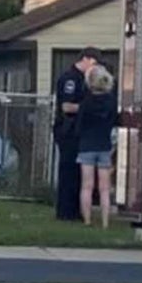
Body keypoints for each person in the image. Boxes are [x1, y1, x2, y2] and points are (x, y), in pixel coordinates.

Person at [53, 47, 102, 221]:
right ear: (85, 59)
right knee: (68, 172)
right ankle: (65, 212)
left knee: (78, 174)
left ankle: (76, 210)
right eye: (94, 63)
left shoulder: (85, 80)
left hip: (80, 131)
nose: (94, 68)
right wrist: (88, 109)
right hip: (68, 131)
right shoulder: (70, 79)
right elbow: (67, 106)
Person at [76, 65, 118, 227]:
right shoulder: (111, 102)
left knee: (87, 186)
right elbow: (115, 120)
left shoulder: (86, 102)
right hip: (104, 145)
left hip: (87, 145)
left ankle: (87, 220)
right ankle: (105, 222)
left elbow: (79, 125)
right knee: (105, 188)